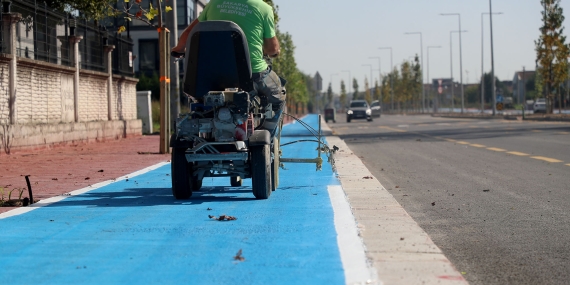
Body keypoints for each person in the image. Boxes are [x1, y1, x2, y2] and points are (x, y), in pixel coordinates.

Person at [172, 0, 285, 135]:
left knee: (200, 103)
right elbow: (272, 49)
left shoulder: (214, 3)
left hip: (210, 75)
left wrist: (178, 49)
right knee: (277, 95)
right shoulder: (264, 8)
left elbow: (191, 31)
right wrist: (273, 51)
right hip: (251, 74)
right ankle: (266, 133)